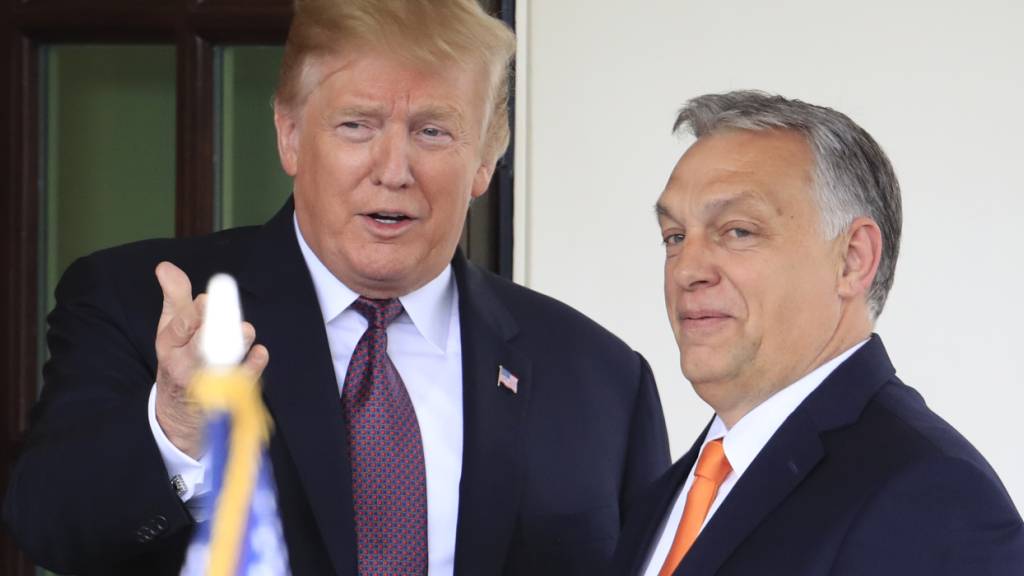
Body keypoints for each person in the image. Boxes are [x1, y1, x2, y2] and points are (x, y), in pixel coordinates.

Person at [2, 1, 670, 574]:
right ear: (289, 135)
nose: (394, 169)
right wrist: (176, 428)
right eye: (357, 125)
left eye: (433, 131)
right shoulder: (139, 304)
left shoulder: (600, 379)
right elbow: (49, 528)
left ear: (486, 162)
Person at [612, 91, 1024, 576]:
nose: (687, 270)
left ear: (853, 259)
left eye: (738, 231)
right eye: (675, 237)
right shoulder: (665, 496)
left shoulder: (932, 494)